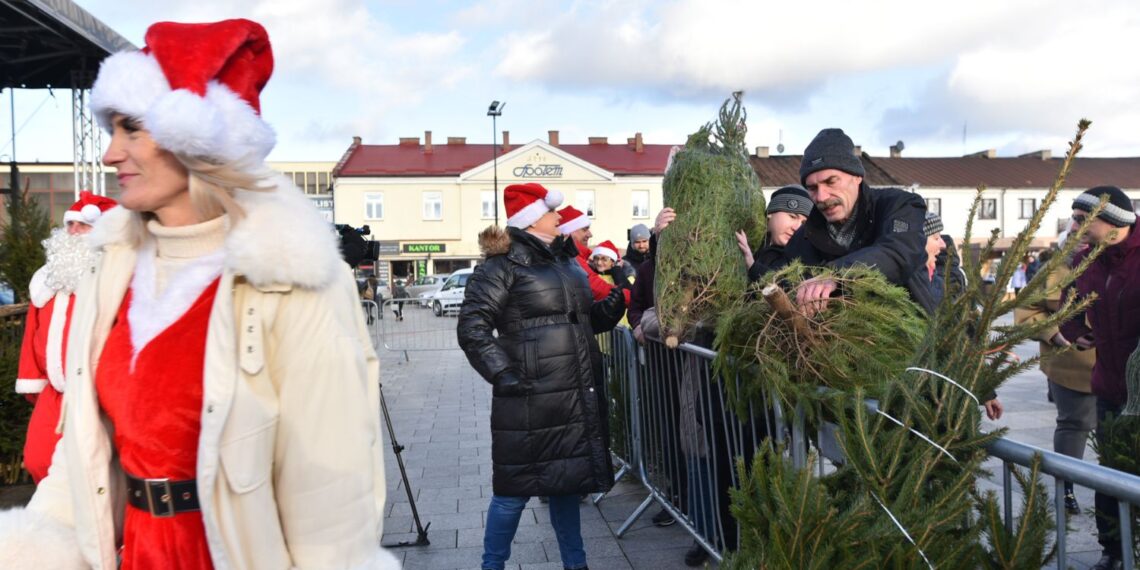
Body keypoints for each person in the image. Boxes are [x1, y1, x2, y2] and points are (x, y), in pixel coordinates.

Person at [0, 19, 396, 569]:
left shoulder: (288, 280)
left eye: (132, 128)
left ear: (197, 139)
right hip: (138, 552)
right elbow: (84, 449)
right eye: (110, 129)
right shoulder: (110, 270)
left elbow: (329, 489)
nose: (111, 153)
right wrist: (33, 550)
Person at [457, 182, 626, 570]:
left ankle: (575, 564)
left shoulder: (567, 263)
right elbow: (472, 327)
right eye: (552, 212)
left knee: (567, 485)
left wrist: (607, 312)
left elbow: (578, 322)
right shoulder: (501, 267)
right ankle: (492, 565)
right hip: (530, 397)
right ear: (533, 220)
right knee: (513, 492)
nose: (559, 217)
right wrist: (503, 374)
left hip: (572, 392)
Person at [1058, 185, 1140, 570]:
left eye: (1081, 220)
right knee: (1110, 472)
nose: (1075, 227)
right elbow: (1068, 306)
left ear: (1111, 223)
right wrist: (1077, 333)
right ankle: (1114, 552)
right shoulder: (1086, 260)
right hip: (1109, 388)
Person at [771, 128, 934, 316]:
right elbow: (786, 281)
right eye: (812, 188)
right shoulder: (802, 240)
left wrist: (835, 276)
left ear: (857, 177)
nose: (822, 196)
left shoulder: (898, 206)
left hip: (911, 336)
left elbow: (897, 252)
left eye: (831, 182)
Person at [16, 192, 118, 484]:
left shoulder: (112, 278)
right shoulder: (45, 280)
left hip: (98, 393)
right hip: (54, 393)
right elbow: (31, 336)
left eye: (83, 226)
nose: (73, 232)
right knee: (38, 460)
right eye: (70, 225)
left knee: (98, 470)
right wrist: (33, 383)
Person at [1013, 234, 1094, 516]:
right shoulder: (1054, 270)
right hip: (1069, 365)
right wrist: (1054, 333)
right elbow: (1026, 313)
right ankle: (1066, 488)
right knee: (1074, 425)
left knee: (1120, 432)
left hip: (1120, 365)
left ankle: (1120, 495)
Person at [734, 184, 813, 282]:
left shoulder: (802, 259)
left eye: (803, 223)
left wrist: (752, 266)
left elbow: (787, 286)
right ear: (770, 213)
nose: (797, 228)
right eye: (792, 217)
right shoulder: (752, 240)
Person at [558, 205, 632, 304]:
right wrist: (633, 298)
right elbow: (597, 288)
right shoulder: (572, 258)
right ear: (568, 232)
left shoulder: (580, 258)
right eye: (584, 229)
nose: (590, 234)